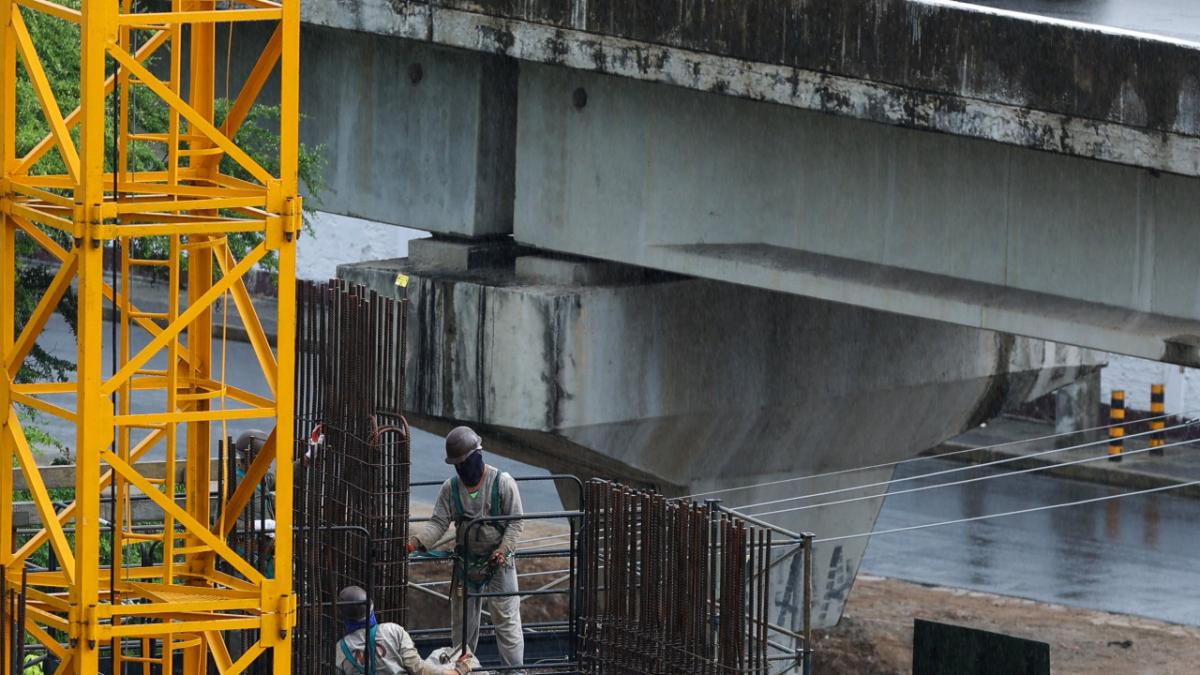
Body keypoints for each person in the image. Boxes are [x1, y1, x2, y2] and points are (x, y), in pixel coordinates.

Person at [408, 427, 525, 672]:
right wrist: (416, 542)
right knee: (463, 626)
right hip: (466, 565)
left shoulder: (503, 483)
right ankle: (463, 669)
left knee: (506, 621)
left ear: (477, 454)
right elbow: (439, 522)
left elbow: (515, 522)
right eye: (457, 464)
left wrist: (504, 550)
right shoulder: (450, 489)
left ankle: (514, 671)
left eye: (464, 462)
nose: (461, 468)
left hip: (498, 564)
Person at [335, 586, 471, 674]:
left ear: (344, 617)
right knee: (447, 654)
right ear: (371, 609)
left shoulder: (341, 649)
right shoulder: (393, 631)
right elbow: (418, 669)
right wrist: (458, 671)